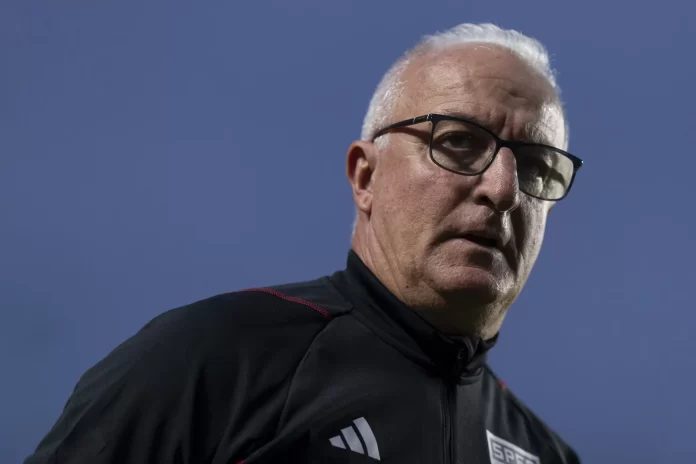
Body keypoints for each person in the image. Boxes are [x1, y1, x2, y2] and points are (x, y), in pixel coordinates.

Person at [25, 23, 583, 464]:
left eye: (537, 167)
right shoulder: (210, 363)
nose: (503, 190)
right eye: (459, 141)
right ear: (366, 177)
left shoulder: (545, 453)